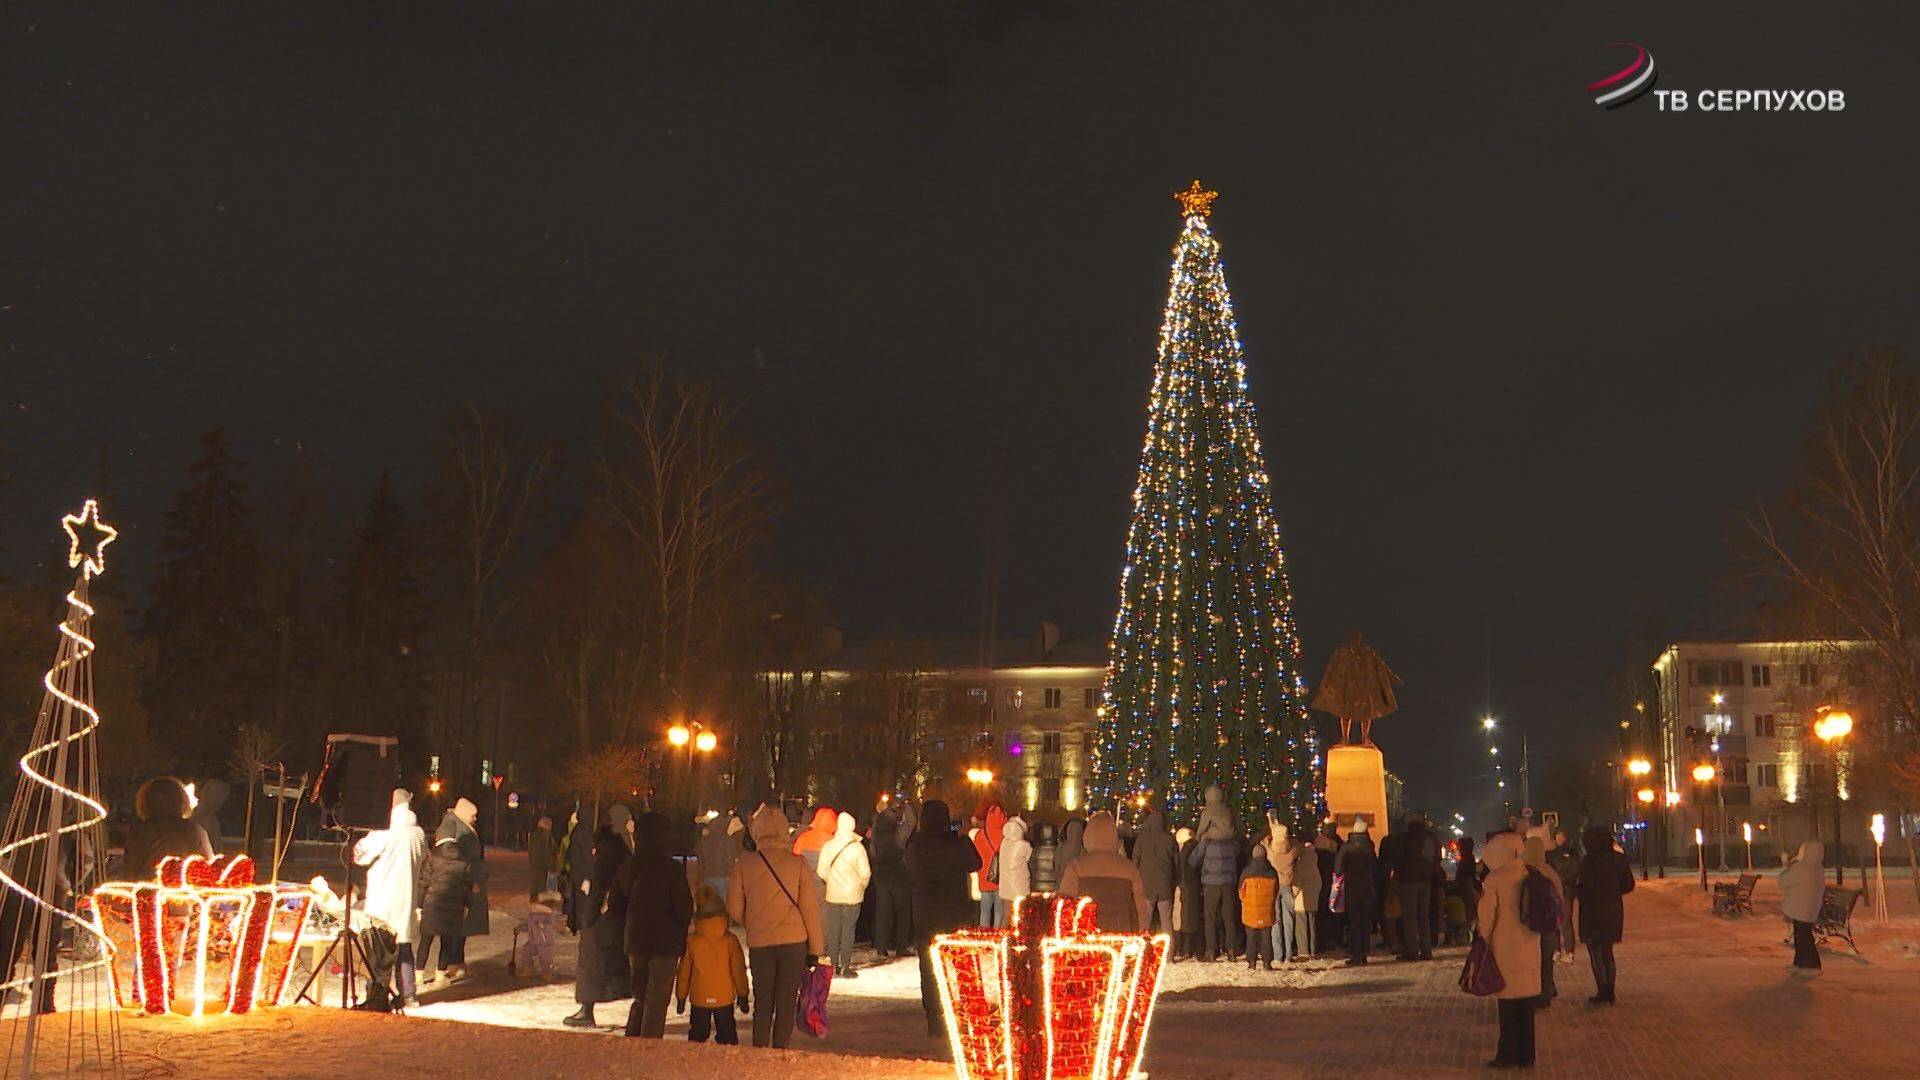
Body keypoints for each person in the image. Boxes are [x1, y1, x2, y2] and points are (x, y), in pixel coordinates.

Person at [729, 806, 827, 1048]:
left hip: (761, 943)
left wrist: (753, 921)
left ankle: (760, 1050)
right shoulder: (798, 864)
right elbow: (810, 910)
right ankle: (780, 1050)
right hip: (794, 943)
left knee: (763, 1002)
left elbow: (733, 906)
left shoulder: (745, 863)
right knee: (785, 1002)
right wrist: (815, 948)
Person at [904, 799, 980, 1037]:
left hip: (925, 913)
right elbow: (975, 863)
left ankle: (934, 1019)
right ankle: (956, 1013)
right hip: (954, 912)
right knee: (956, 966)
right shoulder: (957, 844)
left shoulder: (915, 845)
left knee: (928, 969)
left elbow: (909, 868)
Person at [614, 811, 693, 1038]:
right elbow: (684, 908)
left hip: (636, 941)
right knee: (657, 1000)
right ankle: (649, 1046)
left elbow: (617, 907)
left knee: (640, 995)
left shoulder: (629, 866)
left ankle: (633, 1039)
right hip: (665, 943)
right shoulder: (672, 869)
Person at [354, 789, 427, 1007]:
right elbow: (424, 860)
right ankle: (408, 994)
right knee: (404, 945)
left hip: (383, 898)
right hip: (407, 897)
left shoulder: (384, 831)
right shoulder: (418, 833)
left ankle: (376, 995)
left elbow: (361, 855)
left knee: (379, 951)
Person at [564, 806, 634, 1027]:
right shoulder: (618, 849)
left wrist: (591, 916)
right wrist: (591, 915)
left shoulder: (613, 848)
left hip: (606, 917)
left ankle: (587, 1009)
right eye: (630, 820)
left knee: (595, 962)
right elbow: (602, 884)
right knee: (596, 962)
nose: (633, 824)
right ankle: (587, 1009)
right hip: (609, 917)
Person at [1478, 832, 1543, 1068]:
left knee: (1507, 1005)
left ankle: (1508, 1054)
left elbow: (1486, 916)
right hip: (1530, 943)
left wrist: (1482, 939)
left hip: (1505, 946)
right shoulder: (1529, 873)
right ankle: (1527, 1055)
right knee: (1526, 1005)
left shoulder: (1495, 878)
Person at [419, 798, 486, 986]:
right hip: (454, 887)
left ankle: (454, 962)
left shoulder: (460, 825)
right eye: (473, 815)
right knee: (453, 929)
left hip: (457, 884)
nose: (475, 819)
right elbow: (441, 860)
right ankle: (451, 964)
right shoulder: (452, 826)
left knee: (455, 928)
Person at [676, 885, 749, 1045]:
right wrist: (743, 994)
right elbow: (738, 969)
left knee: (697, 1034)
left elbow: (684, 971)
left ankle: (695, 1061)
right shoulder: (730, 940)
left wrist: (681, 997)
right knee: (727, 1033)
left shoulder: (692, 941)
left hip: (699, 996)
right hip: (724, 997)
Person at [1059, 812, 1149, 931]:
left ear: (1088, 836)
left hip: (1086, 935)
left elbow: (1066, 905)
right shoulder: (1129, 868)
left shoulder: (1077, 866)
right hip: (1122, 934)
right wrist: (1142, 930)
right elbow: (1140, 907)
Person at [1574, 824, 1634, 1003]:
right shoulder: (1618, 860)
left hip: (1591, 912)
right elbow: (1628, 884)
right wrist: (1613, 893)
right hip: (1612, 910)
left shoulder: (1587, 862)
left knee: (1595, 952)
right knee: (1607, 951)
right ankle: (1610, 990)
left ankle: (1602, 989)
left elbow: (1581, 887)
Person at [121, 776, 213, 879]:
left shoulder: (138, 833)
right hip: (181, 891)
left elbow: (130, 872)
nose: (164, 803)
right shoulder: (191, 829)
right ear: (181, 801)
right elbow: (206, 870)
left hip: (146, 891)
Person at [816, 810, 872, 978]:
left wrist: (831, 882)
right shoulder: (858, 848)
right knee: (848, 931)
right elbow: (866, 873)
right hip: (853, 896)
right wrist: (860, 886)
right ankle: (845, 967)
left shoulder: (828, 846)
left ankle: (832, 966)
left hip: (833, 894)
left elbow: (821, 871)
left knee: (833, 931)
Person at [1189, 786, 1239, 961]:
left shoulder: (1208, 835)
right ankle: (1231, 949)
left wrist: (1196, 842)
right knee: (1228, 915)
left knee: (1210, 915)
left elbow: (1194, 859)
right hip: (1229, 879)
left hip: (1211, 880)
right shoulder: (1229, 817)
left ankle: (1211, 950)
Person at [1391, 811, 1441, 961]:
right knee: (1423, 916)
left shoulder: (1404, 839)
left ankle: (1411, 950)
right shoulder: (1430, 838)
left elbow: (1397, 858)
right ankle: (1426, 950)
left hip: (1407, 881)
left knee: (1409, 917)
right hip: (1426, 880)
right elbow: (1437, 857)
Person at [1523, 832, 1564, 1008]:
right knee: (1547, 962)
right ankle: (1546, 993)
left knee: (1531, 961)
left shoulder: (1522, 869)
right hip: (1548, 924)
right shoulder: (1550, 871)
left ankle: (1532, 992)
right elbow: (1560, 899)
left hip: (1528, 926)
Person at [868, 799, 913, 958]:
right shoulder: (898, 835)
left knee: (883, 911)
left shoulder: (875, 836)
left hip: (881, 875)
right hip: (898, 875)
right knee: (903, 910)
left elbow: (872, 854)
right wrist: (907, 805)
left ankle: (881, 946)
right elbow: (911, 823)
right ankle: (901, 945)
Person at [1334, 818, 1378, 965]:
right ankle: (1364, 953)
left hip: (1352, 887)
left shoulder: (1347, 847)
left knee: (1354, 922)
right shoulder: (1369, 847)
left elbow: (1338, 868)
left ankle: (1356, 954)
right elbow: (1375, 867)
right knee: (1365, 921)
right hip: (1368, 887)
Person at [1779, 839, 1826, 974]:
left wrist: (1786, 865)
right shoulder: (1817, 867)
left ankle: (1812, 965)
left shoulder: (1802, 867)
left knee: (1803, 937)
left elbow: (1784, 880)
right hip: (1810, 907)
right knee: (1802, 935)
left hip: (1801, 907)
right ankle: (1800, 963)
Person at [1131, 808, 1179, 936]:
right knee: (1166, 921)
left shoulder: (1142, 839)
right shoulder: (1170, 839)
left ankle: (1143, 951)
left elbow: (1135, 861)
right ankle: (1168, 953)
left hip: (1146, 884)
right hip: (1164, 884)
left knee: (1145, 921)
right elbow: (1176, 864)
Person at [1239, 842, 1278, 969]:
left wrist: (1246, 901)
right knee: (1266, 937)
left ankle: (1252, 962)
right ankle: (1267, 962)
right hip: (1267, 911)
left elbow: (1241, 891)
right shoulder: (1272, 872)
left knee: (1251, 937)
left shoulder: (1247, 871)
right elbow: (1276, 890)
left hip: (1251, 911)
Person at [1266, 817, 1298, 961]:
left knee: (1276, 920)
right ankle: (1289, 954)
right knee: (1289, 920)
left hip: (1274, 887)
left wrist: (1271, 823)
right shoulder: (1292, 851)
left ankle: (1278, 954)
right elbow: (1298, 844)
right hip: (1287, 886)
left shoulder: (1270, 851)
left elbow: (1265, 840)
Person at [1546, 829, 1581, 961]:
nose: (1559, 839)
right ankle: (1556, 950)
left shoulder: (1572, 853)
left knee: (1566, 920)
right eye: (1557, 836)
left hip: (1566, 890)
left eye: (1561, 836)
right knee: (1555, 920)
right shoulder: (1551, 854)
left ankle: (1569, 950)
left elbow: (1575, 870)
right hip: (1555, 891)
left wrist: (1564, 880)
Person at [694, 814, 741, 903]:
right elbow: (732, 859)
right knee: (723, 903)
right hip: (724, 877)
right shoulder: (728, 840)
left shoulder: (705, 840)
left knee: (710, 902)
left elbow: (701, 862)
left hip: (709, 876)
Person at [517, 889, 562, 980]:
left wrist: (544, 925)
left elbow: (549, 925)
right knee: (526, 952)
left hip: (545, 942)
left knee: (546, 958)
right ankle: (528, 969)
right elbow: (530, 925)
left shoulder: (548, 915)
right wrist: (521, 928)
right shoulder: (534, 914)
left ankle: (547, 973)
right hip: (533, 940)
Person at [1291, 827, 1321, 958]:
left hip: (1301, 898)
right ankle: (1313, 948)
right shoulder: (1314, 858)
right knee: (1312, 924)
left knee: (1301, 926)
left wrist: (1293, 893)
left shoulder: (1301, 860)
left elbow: (1298, 880)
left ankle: (1303, 951)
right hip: (1313, 895)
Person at [1172, 825, 1202, 961]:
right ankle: (1191, 949)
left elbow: (1181, 871)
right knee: (1192, 918)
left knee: (1185, 919)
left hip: (1186, 887)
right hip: (1194, 887)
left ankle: (1185, 949)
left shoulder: (1184, 851)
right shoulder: (1195, 848)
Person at [565, 808, 593, 933]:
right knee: (582, 899)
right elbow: (587, 856)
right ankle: (580, 925)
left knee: (575, 898)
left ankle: (572, 924)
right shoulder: (585, 833)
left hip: (576, 870)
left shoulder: (576, 831)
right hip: (583, 871)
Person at [997, 816, 1033, 912]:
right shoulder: (1024, 845)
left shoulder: (1003, 843)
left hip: (1005, 886)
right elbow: (1029, 860)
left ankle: (1003, 928)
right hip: (1020, 886)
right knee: (1020, 916)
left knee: (1006, 915)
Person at [791, 806, 837, 876]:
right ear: (833, 822)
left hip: (804, 878)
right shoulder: (834, 841)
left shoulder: (803, 837)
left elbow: (794, 858)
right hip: (824, 882)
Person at [527, 815, 556, 900]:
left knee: (536, 884)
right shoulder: (545, 835)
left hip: (535, 864)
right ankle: (539, 902)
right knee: (541, 886)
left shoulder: (535, 835)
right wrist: (551, 865)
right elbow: (547, 852)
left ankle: (533, 900)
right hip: (543, 865)